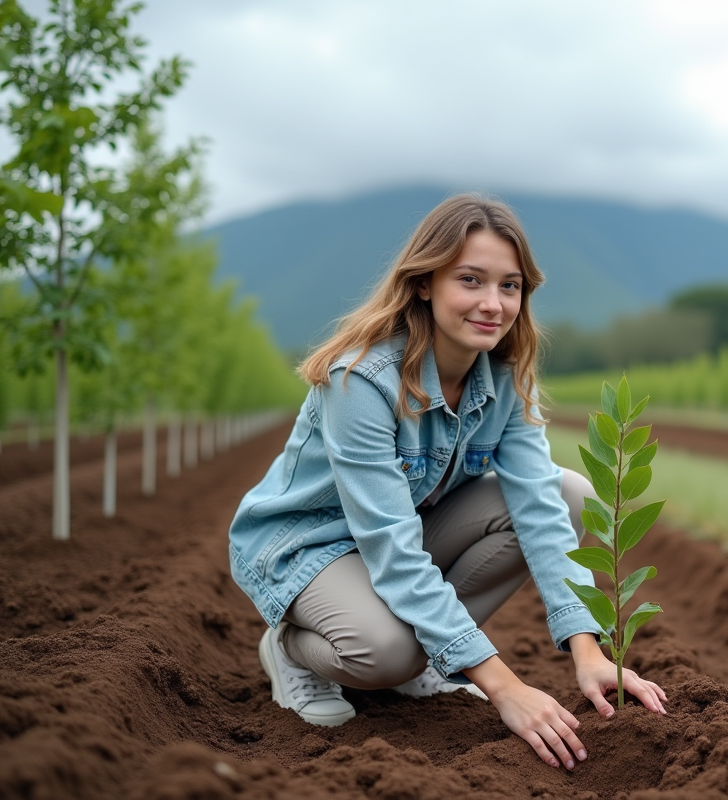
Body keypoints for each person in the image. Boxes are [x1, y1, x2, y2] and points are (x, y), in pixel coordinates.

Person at [227, 194, 667, 771]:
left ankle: (433, 654)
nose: (493, 303)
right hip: (307, 545)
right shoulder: (362, 381)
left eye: (510, 286)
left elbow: (538, 509)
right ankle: (292, 651)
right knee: (384, 655)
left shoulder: (504, 379)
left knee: (568, 494)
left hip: (390, 539)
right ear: (425, 282)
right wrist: (506, 687)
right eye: (471, 280)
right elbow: (394, 549)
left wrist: (589, 651)